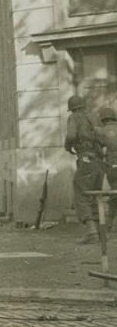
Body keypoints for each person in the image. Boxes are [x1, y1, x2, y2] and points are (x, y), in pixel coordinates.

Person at [64, 94, 104, 243]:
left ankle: (92, 232)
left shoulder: (74, 118)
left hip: (86, 158)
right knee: (94, 193)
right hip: (99, 160)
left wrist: (68, 147)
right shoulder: (95, 116)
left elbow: (71, 136)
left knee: (81, 191)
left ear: (72, 108)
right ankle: (99, 232)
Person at [98, 107, 117, 230]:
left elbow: (98, 148)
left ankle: (109, 224)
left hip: (112, 165)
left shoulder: (101, 131)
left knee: (114, 192)